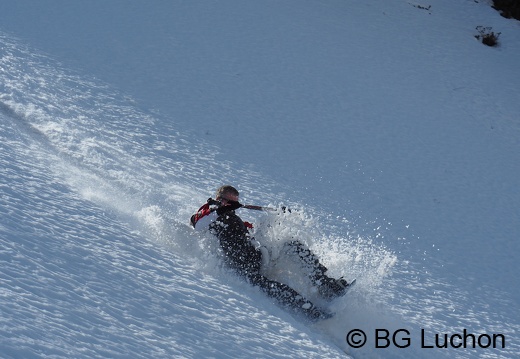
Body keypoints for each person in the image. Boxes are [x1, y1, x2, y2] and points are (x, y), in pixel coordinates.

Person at [190, 185, 351, 321]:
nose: (232, 205)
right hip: (242, 268)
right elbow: (197, 224)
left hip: (255, 256)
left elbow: (252, 230)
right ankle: (311, 312)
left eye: (235, 203)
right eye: (229, 201)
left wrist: (276, 218)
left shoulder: (231, 217)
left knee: (291, 244)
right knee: (271, 286)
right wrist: (222, 208)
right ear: (220, 199)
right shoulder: (211, 212)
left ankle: (326, 286)